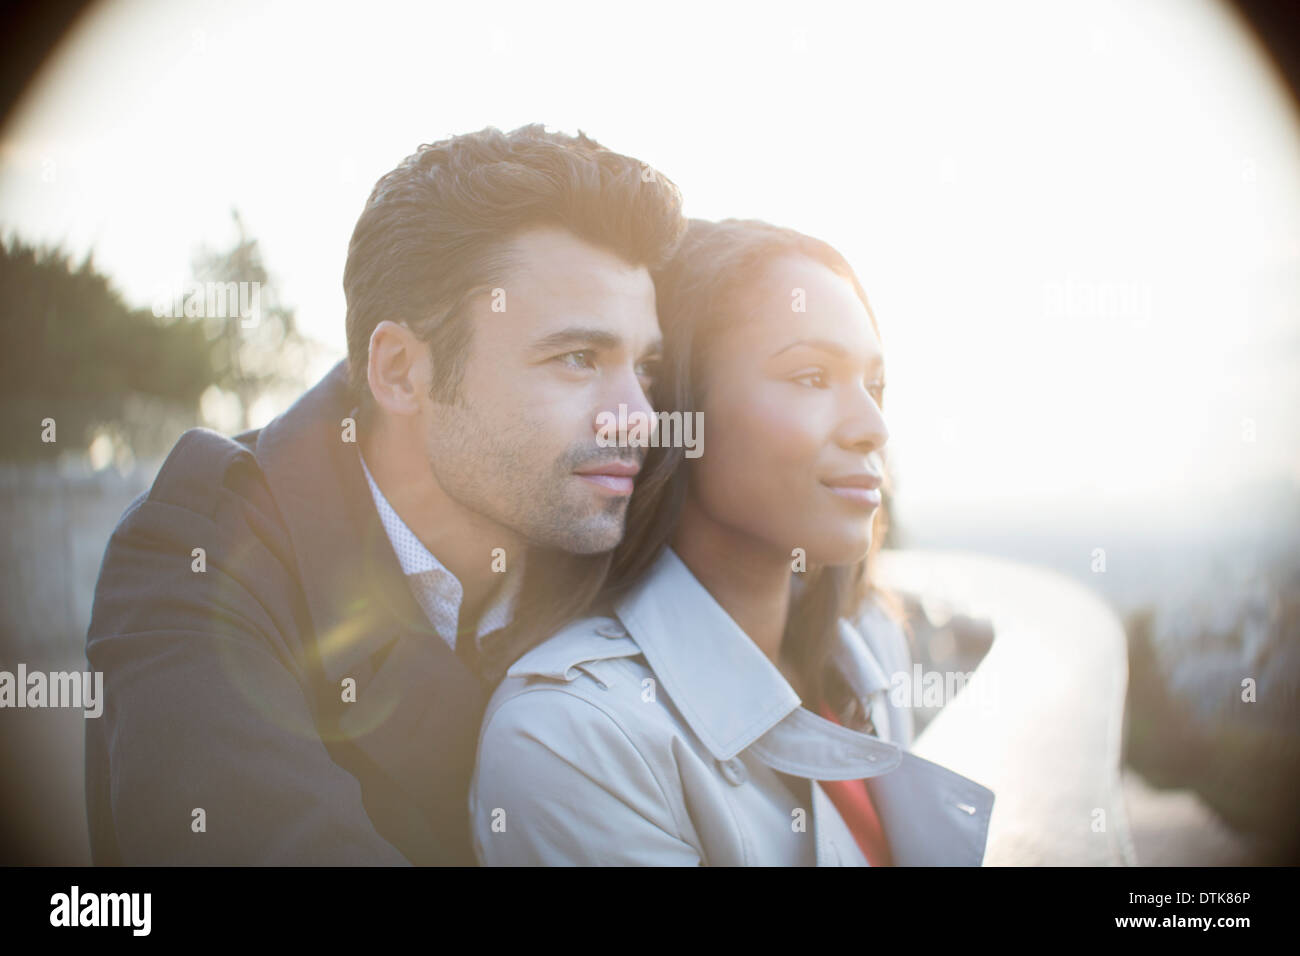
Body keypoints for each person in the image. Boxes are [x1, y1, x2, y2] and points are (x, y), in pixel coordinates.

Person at [84, 124, 686, 864]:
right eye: (577, 358)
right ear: (401, 371)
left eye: (645, 368)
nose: (641, 417)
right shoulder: (195, 549)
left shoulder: (605, 521)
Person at [470, 218, 995, 865]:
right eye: (810, 377)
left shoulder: (864, 643)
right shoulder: (573, 740)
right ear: (675, 406)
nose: (873, 427)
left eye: (874, 385)